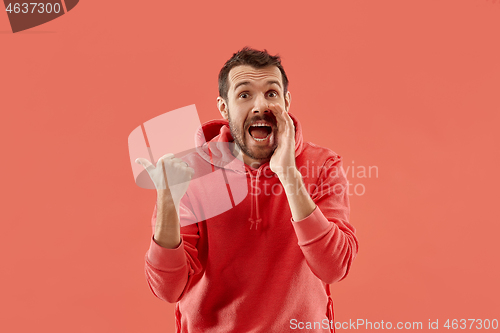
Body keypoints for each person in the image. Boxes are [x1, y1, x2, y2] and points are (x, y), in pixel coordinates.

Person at [136, 47, 358, 333]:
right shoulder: (187, 173)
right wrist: (167, 203)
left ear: (287, 102)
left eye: (271, 93)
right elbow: (168, 289)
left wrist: (289, 175)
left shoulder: (323, 164)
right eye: (244, 94)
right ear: (224, 107)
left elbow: (334, 267)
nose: (259, 105)